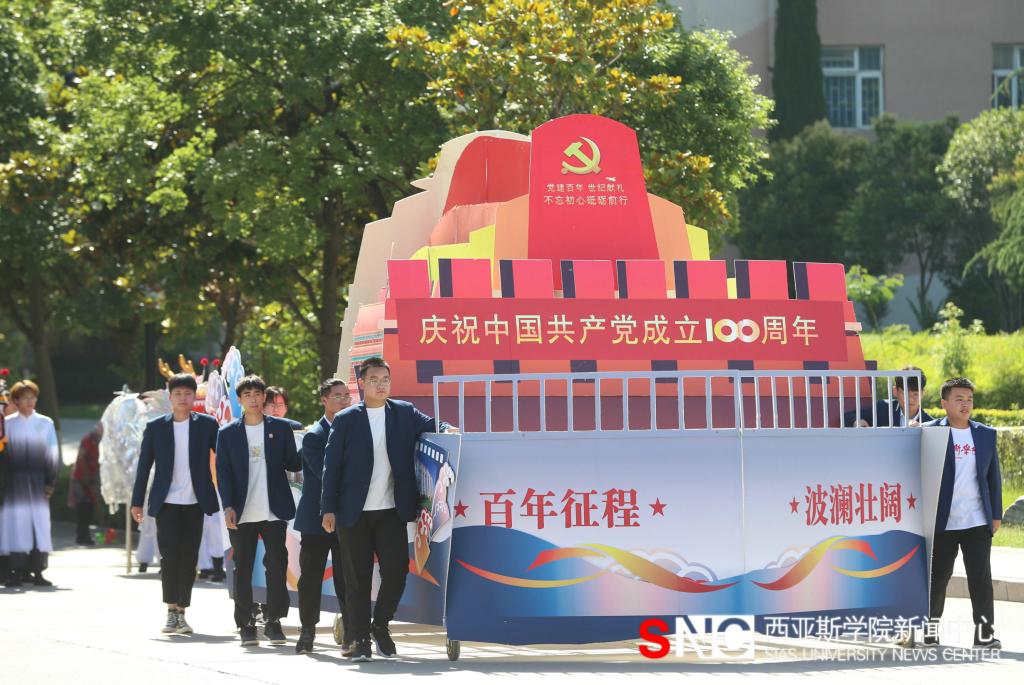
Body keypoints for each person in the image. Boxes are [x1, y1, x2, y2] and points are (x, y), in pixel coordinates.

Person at [321, 357, 458, 661]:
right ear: (362, 383)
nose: (380, 385)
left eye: (385, 379)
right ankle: (360, 640)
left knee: (396, 572)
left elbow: (432, 424)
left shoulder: (403, 412)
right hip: (353, 513)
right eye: (374, 380)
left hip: (391, 511)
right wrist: (328, 508)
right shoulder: (346, 419)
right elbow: (332, 468)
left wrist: (447, 428)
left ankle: (380, 625)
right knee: (357, 579)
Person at [130, 373, 221, 634]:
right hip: (166, 502)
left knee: (189, 558)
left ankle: (182, 611)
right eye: (178, 394)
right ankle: (171, 611)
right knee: (169, 558)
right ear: (170, 397)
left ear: (194, 397)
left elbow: (224, 457)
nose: (183, 398)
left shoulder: (207, 425)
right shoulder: (156, 427)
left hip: (195, 501)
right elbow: (144, 466)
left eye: (187, 394)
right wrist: (137, 502)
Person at [216, 374, 301, 647]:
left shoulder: (281, 428)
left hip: (274, 509)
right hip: (241, 511)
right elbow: (223, 473)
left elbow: (293, 463)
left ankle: (274, 621)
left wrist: (310, 442)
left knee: (277, 564)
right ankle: (246, 624)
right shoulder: (228, 433)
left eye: (257, 394)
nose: (253, 399)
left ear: (264, 397)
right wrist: (228, 506)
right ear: (240, 400)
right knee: (243, 567)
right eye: (247, 395)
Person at [924, 377, 1002, 649]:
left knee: (981, 581)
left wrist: (996, 515)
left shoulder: (985, 434)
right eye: (959, 399)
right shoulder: (929, 433)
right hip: (942, 522)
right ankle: (929, 633)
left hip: (977, 521)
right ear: (944, 403)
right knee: (938, 579)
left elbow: (993, 477)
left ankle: (984, 636)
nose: (965, 404)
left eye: (969, 399)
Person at [294, 378, 352, 655]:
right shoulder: (314, 436)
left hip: (347, 519)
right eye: (337, 396)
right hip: (316, 519)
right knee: (310, 577)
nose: (343, 400)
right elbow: (326, 475)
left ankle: (351, 631)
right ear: (324, 401)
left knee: (347, 577)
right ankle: (307, 631)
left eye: (346, 395)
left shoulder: (354, 430)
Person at [0, 380, 59, 587]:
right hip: (14, 483)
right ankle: (16, 571)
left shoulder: (45, 423)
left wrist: (50, 482)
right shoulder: (7, 424)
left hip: (38, 481)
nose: (30, 401)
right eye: (24, 398)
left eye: (32, 397)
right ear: (15, 401)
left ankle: (38, 571)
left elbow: (52, 454)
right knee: (15, 526)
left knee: (39, 526)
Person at [844, 365, 934, 427]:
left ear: (923, 393)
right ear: (895, 391)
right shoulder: (882, 408)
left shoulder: (930, 423)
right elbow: (847, 416)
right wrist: (856, 421)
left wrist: (922, 429)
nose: (910, 399)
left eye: (915, 394)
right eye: (905, 394)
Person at [69, 422, 102, 546]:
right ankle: (82, 536)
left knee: (89, 509)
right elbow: (82, 459)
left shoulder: (96, 443)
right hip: (81, 479)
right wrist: (87, 478)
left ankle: (84, 535)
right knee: (83, 508)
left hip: (90, 479)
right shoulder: (87, 441)